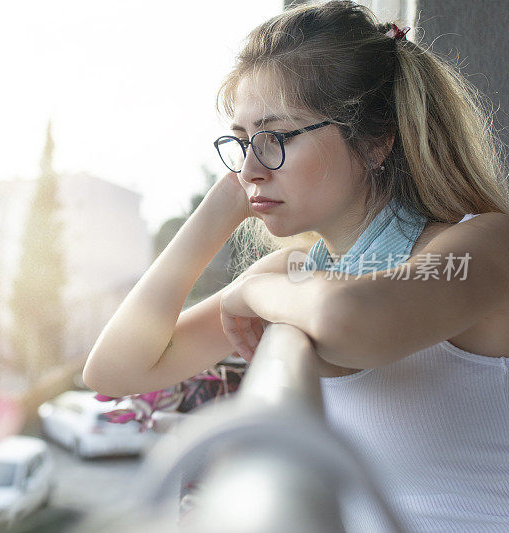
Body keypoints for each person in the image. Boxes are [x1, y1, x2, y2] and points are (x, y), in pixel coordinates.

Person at [82, 1, 509, 531]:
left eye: (276, 138)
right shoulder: (296, 275)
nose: (251, 169)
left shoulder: (486, 244)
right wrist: (213, 217)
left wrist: (255, 292)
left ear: (376, 141)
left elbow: (352, 321)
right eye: (239, 144)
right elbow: (116, 370)